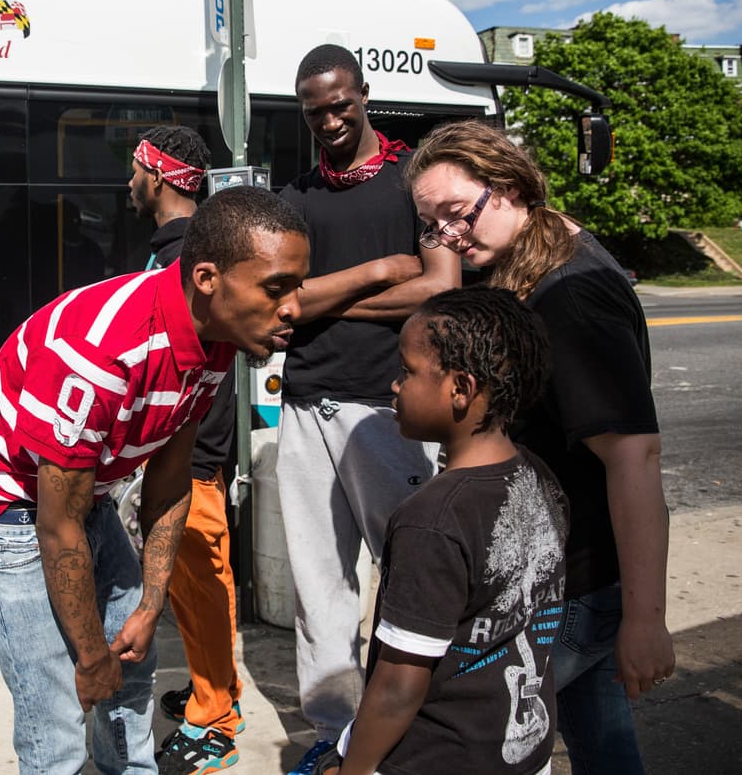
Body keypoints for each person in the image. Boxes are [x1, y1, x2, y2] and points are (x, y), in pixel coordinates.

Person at [0, 186, 309, 774]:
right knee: (58, 711)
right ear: (208, 278)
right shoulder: (102, 352)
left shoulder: (216, 342)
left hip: (82, 499)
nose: (295, 306)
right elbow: (57, 526)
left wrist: (149, 602)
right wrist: (89, 657)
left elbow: (170, 480)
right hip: (9, 504)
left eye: (298, 285)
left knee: (132, 666)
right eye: (276, 287)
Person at [405, 119, 675, 774]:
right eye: (433, 224)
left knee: (458, 738)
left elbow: (634, 457)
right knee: (602, 743)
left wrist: (646, 619)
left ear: (509, 188)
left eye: (457, 215)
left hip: (572, 587)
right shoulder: (538, 254)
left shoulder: (571, 294)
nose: (449, 237)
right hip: (562, 574)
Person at [275, 44, 461, 772]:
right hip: (303, 405)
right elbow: (282, 303)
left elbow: (441, 285)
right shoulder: (295, 200)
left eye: (340, 104)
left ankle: (426, 719)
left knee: (413, 575)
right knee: (318, 587)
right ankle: (337, 733)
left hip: (390, 410)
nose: (329, 119)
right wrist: (385, 271)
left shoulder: (412, 181)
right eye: (314, 110)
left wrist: (330, 297)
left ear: (363, 94)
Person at [314, 285, 565, 775]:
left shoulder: (432, 521)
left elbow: (397, 687)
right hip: (524, 752)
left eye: (407, 372)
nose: (395, 386)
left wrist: (352, 769)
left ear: (461, 389)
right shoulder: (541, 478)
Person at [125, 125, 247, 773]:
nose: (129, 183)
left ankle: (216, 718)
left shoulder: (189, 257)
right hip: (174, 450)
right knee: (184, 586)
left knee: (203, 585)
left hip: (191, 452)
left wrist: (200, 453)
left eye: (135, 169)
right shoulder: (171, 250)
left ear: (161, 176)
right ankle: (212, 685)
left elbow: (207, 365)